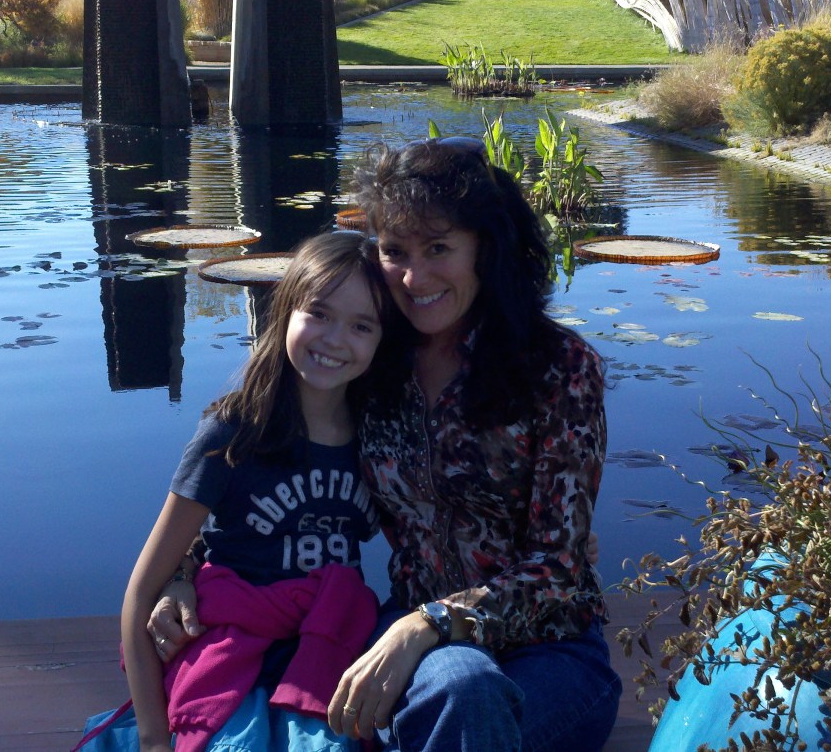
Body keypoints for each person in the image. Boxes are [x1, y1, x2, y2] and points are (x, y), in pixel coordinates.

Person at [152, 137, 622, 751]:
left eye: (439, 249)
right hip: (426, 658)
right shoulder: (374, 357)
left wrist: (429, 623)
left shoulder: (558, 368)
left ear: (486, 246)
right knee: (460, 688)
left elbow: (560, 566)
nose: (414, 276)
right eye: (395, 251)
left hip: (549, 652)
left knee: (465, 702)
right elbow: (269, 471)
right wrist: (182, 571)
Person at [114, 230, 403, 752]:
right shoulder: (231, 434)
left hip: (330, 647)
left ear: (383, 341)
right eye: (319, 313)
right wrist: (154, 741)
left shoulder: (380, 440)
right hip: (231, 648)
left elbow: (424, 548)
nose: (335, 339)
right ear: (286, 310)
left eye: (362, 325)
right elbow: (140, 593)